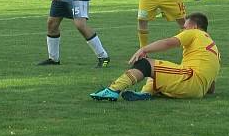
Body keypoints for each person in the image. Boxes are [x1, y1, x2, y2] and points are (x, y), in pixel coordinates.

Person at [90, 12, 219, 102]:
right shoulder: (214, 49)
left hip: (190, 79)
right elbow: (211, 87)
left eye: (185, 27)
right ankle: (146, 93)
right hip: (198, 90)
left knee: (145, 64)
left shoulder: (194, 33)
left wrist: (143, 49)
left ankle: (113, 90)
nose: (183, 30)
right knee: (158, 73)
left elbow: (168, 43)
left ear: (194, 27)